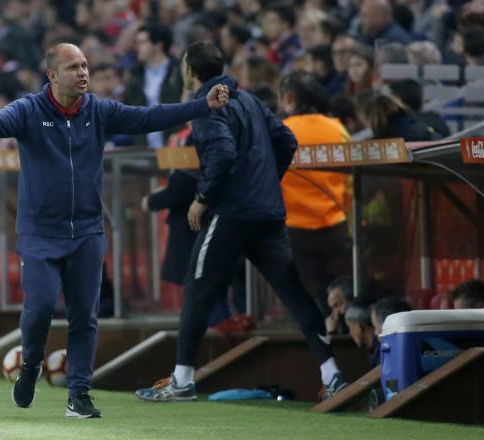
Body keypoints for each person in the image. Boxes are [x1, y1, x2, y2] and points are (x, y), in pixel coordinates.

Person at [0, 43, 229, 418]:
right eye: (73, 67)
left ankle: (79, 393)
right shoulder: (28, 111)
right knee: (39, 309)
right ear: (52, 75)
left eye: (85, 65)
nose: (83, 72)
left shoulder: (99, 110)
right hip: (39, 233)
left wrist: (203, 105)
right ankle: (31, 363)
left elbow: (150, 116)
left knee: (85, 316)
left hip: (87, 231)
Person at [135, 42, 347, 403]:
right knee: (293, 291)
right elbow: (285, 139)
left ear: (190, 71)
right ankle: (332, 373)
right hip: (266, 211)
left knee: (198, 289)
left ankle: (182, 381)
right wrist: (266, 182)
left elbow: (222, 152)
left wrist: (202, 198)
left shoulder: (207, 103)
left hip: (232, 211)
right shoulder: (248, 99)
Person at [277, 71, 352, 316]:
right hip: (335, 228)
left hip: (294, 230)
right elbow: (351, 180)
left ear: (289, 99)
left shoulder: (279, 131)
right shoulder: (337, 129)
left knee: (306, 300)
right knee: (341, 296)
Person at [345, 298, 379, 368]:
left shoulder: (381, 349)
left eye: (350, 328)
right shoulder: (372, 350)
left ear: (359, 327)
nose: (350, 333)